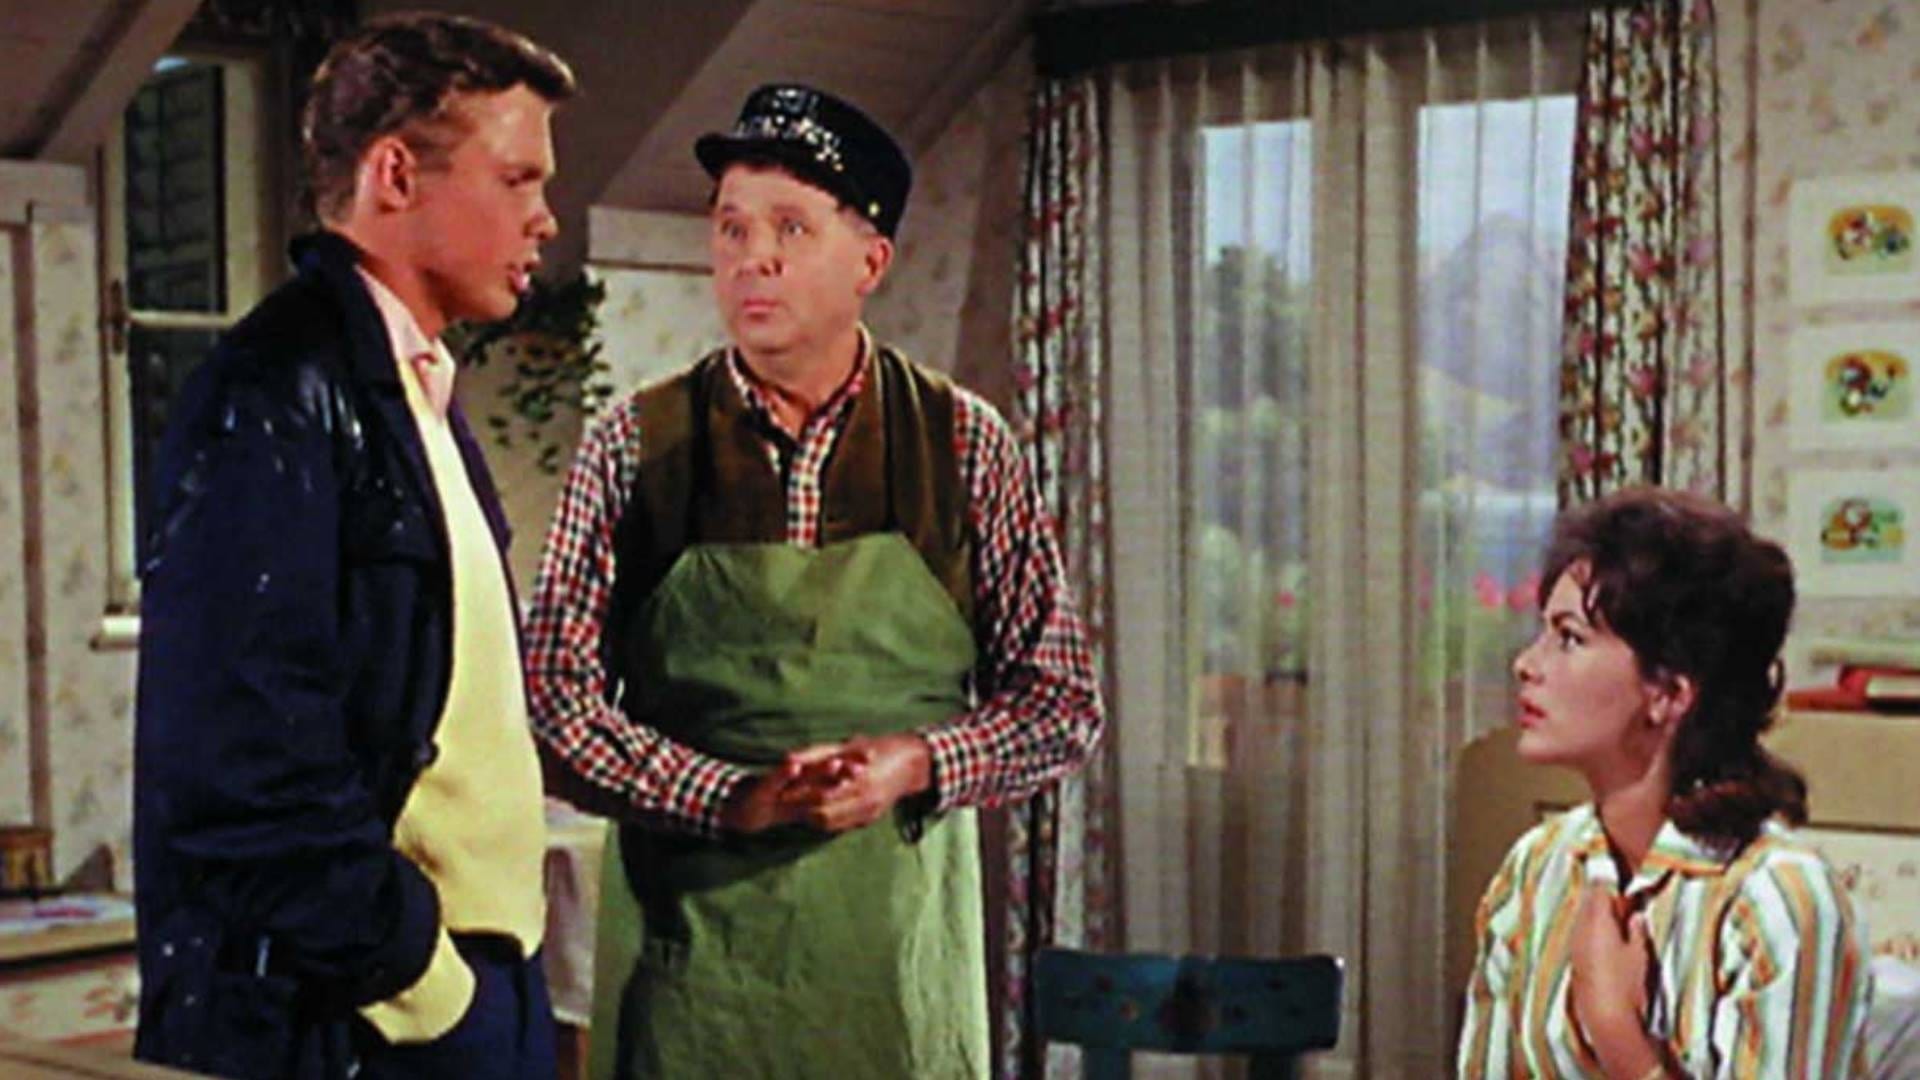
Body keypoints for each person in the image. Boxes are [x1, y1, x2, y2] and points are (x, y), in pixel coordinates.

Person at [525, 83, 1106, 1078]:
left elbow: (1061, 705)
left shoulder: (963, 445)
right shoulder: (634, 445)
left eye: (790, 228)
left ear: (871, 262)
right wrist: (729, 797)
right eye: (732, 229)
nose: (753, 258)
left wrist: (914, 763)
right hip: (690, 976)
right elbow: (552, 703)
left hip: (893, 970)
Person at [132, 15, 573, 1078]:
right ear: (395, 175)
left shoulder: (417, 393)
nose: (546, 219)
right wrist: (429, 987)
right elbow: (245, 771)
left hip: (473, 983)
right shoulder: (276, 392)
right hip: (374, 1013)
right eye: (517, 179)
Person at [1458, 487, 1872, 1079]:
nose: (1526, 664)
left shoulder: (1776, 902)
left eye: (1569, 638)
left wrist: (1617, 1034)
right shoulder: (1537, 869)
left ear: (1670, 693)